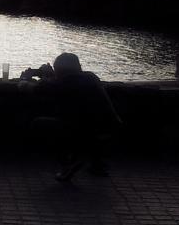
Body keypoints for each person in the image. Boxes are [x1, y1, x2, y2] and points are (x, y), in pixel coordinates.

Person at [32, 52, 122, 182]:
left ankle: (67, 164)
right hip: (111, 126)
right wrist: (52, 76)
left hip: (86, 129)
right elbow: (66, 83)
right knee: (87, 123)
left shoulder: (63, 83)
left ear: (59, 69)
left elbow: (39, 89)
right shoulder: (91, 77)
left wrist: (24, 80)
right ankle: (97, 164)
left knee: (40, 124)